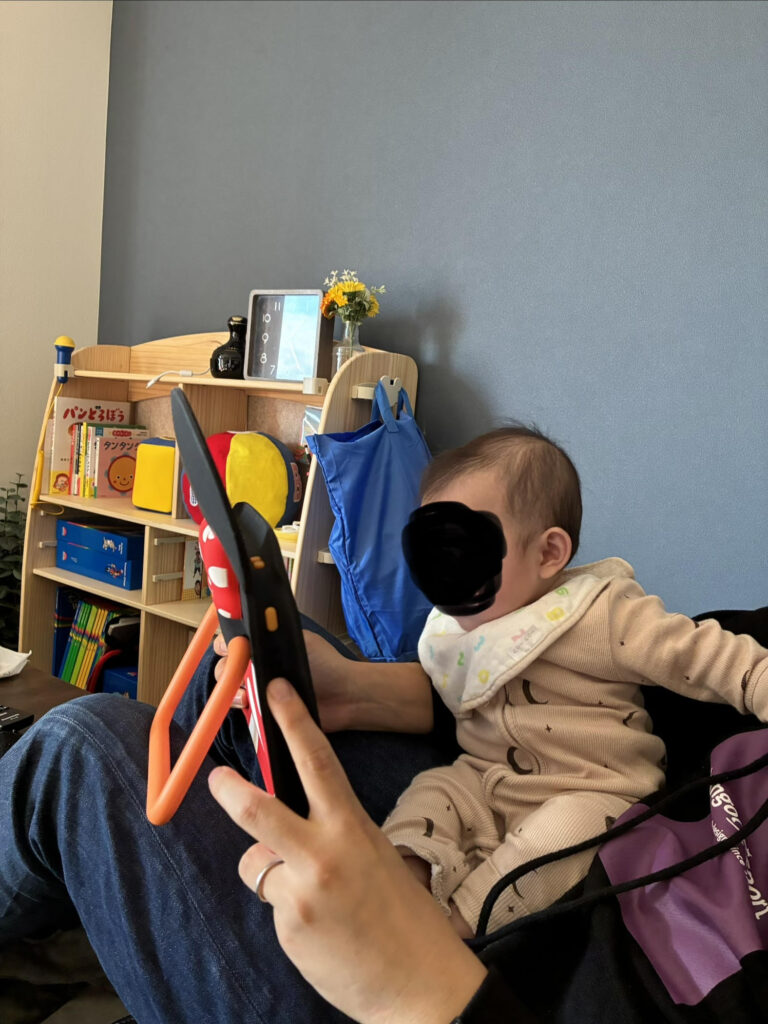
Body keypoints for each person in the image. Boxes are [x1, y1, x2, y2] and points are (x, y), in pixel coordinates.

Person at [368, 426, 768, 936]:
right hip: (485, 780)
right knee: (432, 790)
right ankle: (401, 880)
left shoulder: (602, 614)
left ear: (548, 553)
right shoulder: (456, 628)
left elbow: (709, 656)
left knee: (562, 835)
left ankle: (458, 928)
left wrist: (761, 682)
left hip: (593, 791)